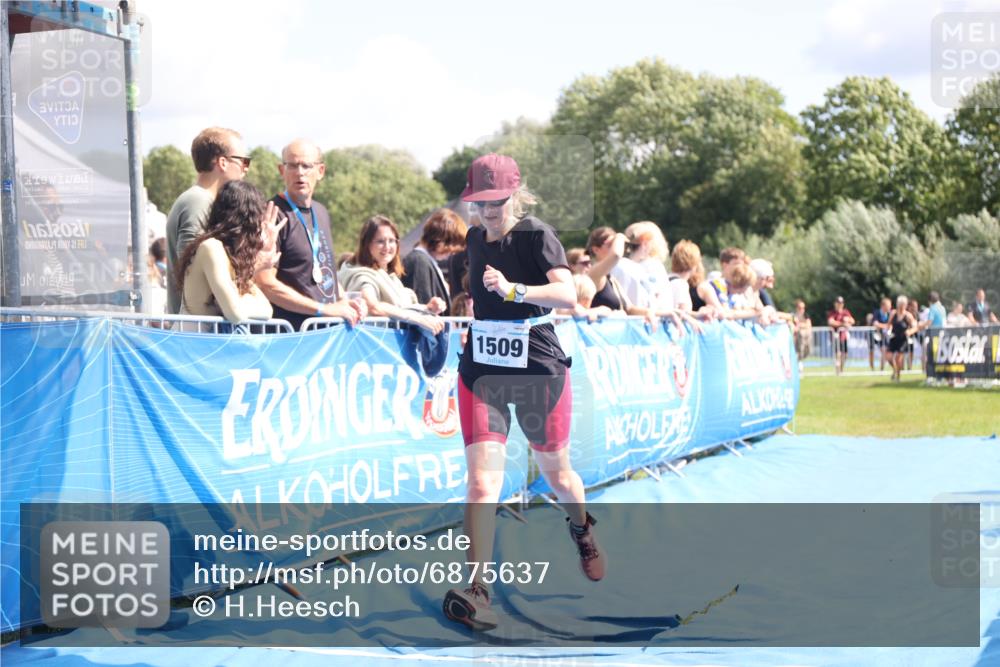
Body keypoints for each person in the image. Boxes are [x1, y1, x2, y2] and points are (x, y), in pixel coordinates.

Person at [444, 154, 604, 632]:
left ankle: (581, 529)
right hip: (484, 370)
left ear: (514, 195)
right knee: (481, 483)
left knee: (559, 476)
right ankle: (478, 590)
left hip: (537, 367)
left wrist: (515, 290)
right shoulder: (474, 238)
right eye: (479, 203)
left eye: (496, 202)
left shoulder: (537, 235)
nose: (488, 211)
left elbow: (567, 295)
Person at [255, 139, 363, 330]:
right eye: (292, 165)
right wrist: (322, 309)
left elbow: (323, 271)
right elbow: (265, 283)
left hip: (325, 333)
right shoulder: (272, 214)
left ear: (320, 171)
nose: (300, 172)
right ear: (281, 170)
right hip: (291, 335)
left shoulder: (321, 212)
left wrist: (345, 301)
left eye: (306, 166)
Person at [166, 127, 250, 314]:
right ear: (223, 162)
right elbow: (191, 271)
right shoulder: (199, 201)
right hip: (195, 326)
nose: (246, 168)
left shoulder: (200, 200)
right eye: (244, 161)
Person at [174, 181, 282, 325]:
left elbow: (267, 310)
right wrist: (236, 302)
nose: (258, 231)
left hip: (205, 337)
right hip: (195, 337)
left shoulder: (223, 253)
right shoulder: (211, 247)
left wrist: (236, 299)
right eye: (258, 222)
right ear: (248, 221)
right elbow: (235, 313)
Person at [339, 215, 446, 334]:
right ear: (366, 244)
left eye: (391, 241)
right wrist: (418, 319)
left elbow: (400, 309)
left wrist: (427, 308)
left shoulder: (390, 277)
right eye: (380, 241)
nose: (387, 247)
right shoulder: (361, 275)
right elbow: (373, 306)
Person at [402, 208, 467, 314]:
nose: (453, 252)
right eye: (453, 244)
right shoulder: (419, 262)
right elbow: (423, 307)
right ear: (441, 240)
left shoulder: (423, 261)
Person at [887, 295, 919, 382]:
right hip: (894, 338)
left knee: (898, 358)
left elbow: (915, 327)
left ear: (905, 305)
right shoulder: (893, 313)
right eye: (899, 305)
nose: (900, 307)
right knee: (889, 357)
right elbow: (889, 324)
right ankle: (895, 370)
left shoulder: (908, 316)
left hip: (903, 339)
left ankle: (897, 376)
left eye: (902, 305)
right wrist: (889, 329)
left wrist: (909, 331)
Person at [827, 296, 855, 375]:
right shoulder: (832, 312)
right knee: (838, 354)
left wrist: (848, 320)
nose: (840, 304)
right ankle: (838, 371)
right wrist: (842, 324)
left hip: (843, 336)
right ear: (835, 303)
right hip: (835, 336)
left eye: (841, 303)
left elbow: (853, 321)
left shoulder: (845, 312)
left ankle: (841, 370)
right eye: (838, 303)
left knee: (845, 354)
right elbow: (831, 322)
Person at [870, 297, 892, 371]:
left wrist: (887, 327)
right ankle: (872, 369)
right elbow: (875, 324)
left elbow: (891, 325)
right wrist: (886, 326)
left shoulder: (889, 314)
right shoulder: (877, 312)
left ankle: (881, 369)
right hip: (873, 335)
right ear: (883, 306)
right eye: (888, 305)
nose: (890, 307)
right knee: (871, 351)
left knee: (884, 350)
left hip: (883, 335)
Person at [793, 299, 812, 370]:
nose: (802, 309)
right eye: (800, 308)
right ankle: (798, 364)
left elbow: (808, 325)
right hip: (796, 337)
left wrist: (799, 325)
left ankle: (799, 362)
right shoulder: (793, 316)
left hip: (806, 337)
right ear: (796, 308)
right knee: (798, 351)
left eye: (803, 308)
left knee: (807, 351)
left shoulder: (806, 315)